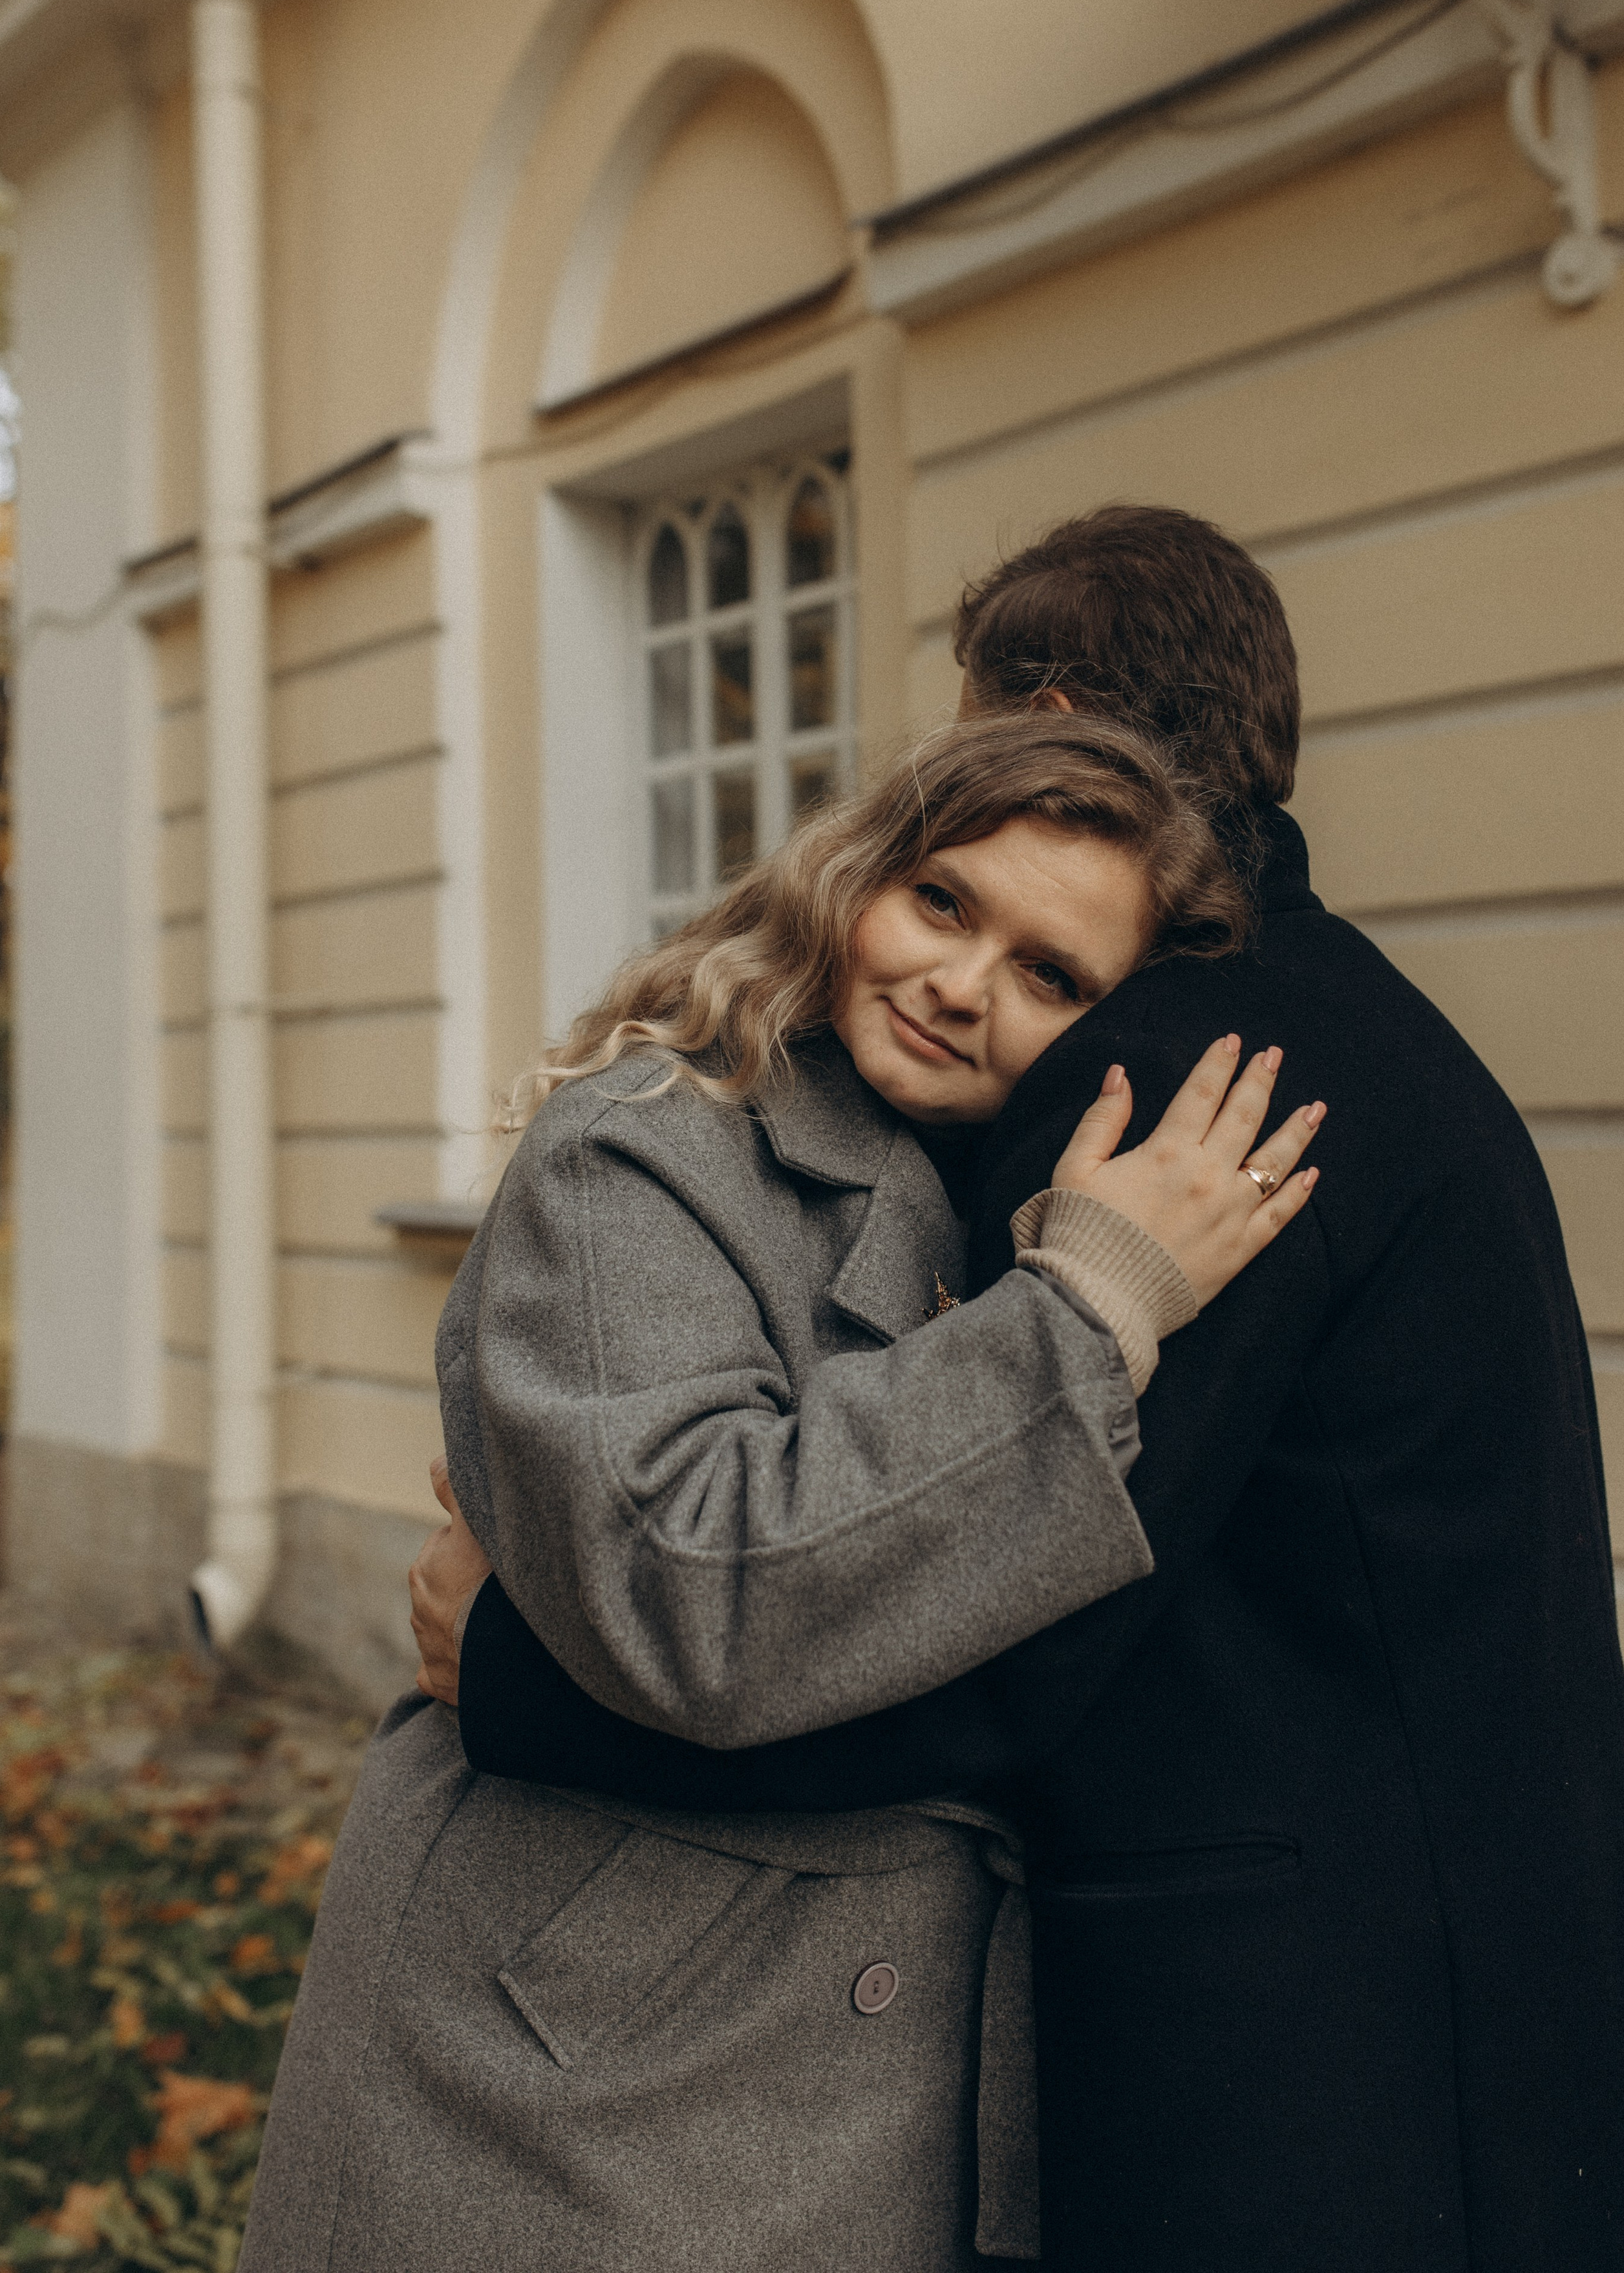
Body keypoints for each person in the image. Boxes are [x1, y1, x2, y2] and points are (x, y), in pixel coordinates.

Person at [427, 506, 1624, 2273]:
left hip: (1299, 2026)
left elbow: (1003, 1621)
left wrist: (523, 1677)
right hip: (1462, 1946)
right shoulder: (1350, 1022)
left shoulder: (1179, 1076)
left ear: (1052, 720)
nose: (980, 982)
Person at [240, 713, 1322, 2273]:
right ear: (853, 876)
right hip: (577, 2048)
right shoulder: (646, 1147)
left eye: (1049, 976)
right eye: (943, 905)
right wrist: (1083, 1311)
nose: (961, 984)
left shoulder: (1008, 1177)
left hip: (855, 2056)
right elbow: (694, 1582)